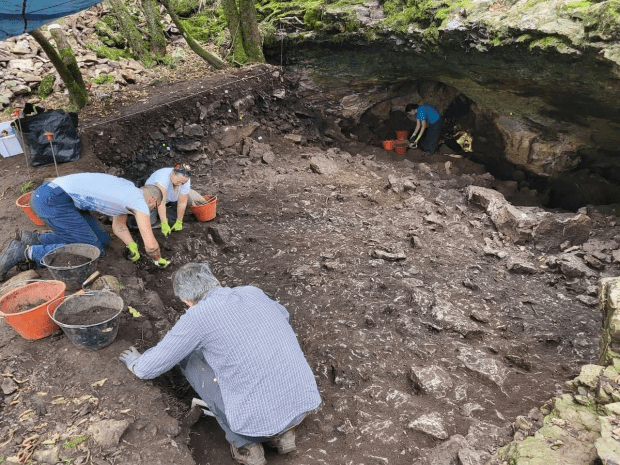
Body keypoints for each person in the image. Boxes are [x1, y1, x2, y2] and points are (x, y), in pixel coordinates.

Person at [119, 262, 321, 465]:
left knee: (188, 359)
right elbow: (284, 316)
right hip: (302, 403)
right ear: (216, 281)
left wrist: (136, 362)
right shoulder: (252, 292)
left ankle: (246, 446)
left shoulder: (197, 318)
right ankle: (284, 436)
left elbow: (149, 368)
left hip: (255, 423)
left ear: (186, 301)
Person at [0, 173, 170, 282]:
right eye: (154, 208)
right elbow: (151, 245)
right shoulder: (139, 201)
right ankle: (25, 252)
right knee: (91, 250)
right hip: (52, 201)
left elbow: (119, 225)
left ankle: (34, 238)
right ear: (152, 201)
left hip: (57, 197)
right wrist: (157, 259)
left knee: (102, 240)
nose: (151, 211)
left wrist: (131, 245)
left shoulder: (128, 190)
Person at [142, 163, 206, 237]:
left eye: (183, 183)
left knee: (188, 200)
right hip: (153, 200)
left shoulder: (185, 179)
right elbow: (161, 203)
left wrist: (179, 221)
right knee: (149, 221)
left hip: (169, 199)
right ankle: (160, 216)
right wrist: (164, 223)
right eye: (178, 181)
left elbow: (182, 202)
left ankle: (169, 215)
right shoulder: (162, 179)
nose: (180, 184)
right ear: (173, 174)